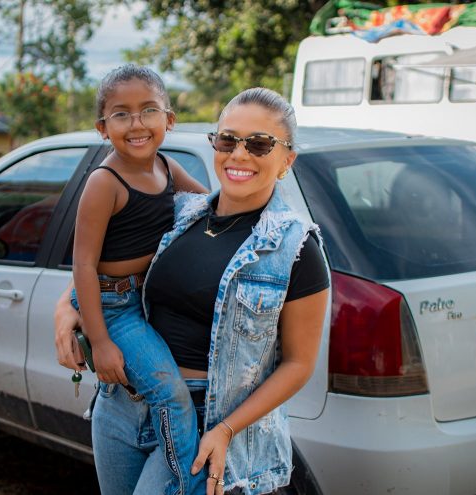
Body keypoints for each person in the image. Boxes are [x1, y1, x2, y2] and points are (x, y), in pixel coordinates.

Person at [56, 87, 330, 495]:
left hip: (203, 422)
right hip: (121, 405)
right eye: (227, 140)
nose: (239, 154)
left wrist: (225, 429)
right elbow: (109, 265)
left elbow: (298, 365)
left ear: (286, 159)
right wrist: (66, 307)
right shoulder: (182, 213)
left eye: (259, 144)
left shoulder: (297, 249)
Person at [71, 63, 209, 495]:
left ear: (169, 119)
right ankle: (191, 482)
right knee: (171, 395)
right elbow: (82, 266)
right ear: (102, 127)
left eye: (149, 110)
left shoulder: (166, 168)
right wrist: (100, 341)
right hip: (115, 308)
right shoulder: (103, 182)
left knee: (168, 395)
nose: (136, 123)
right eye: (121, 114)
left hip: (146, 300)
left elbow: (211, 207)